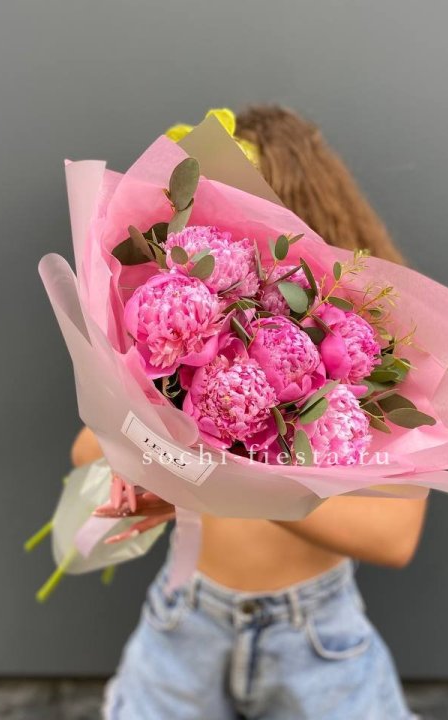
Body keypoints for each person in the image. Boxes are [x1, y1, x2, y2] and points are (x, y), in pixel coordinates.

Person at [72, 106, 424, 720]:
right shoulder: (195, 328)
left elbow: (393, 538)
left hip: (316, 633)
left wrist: (229, 481)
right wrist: (156, 459)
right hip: (186, 616)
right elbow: (85, 450)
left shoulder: (367, 345)